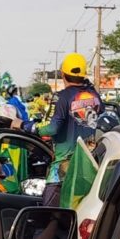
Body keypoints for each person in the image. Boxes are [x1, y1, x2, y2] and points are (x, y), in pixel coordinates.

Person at [17, 53, 101, 208]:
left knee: (49, 217)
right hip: (87, 169)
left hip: (62, 171)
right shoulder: (95, 96)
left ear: (63, 74)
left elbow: (51, 128)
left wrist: (24, 125)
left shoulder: (61, 97)